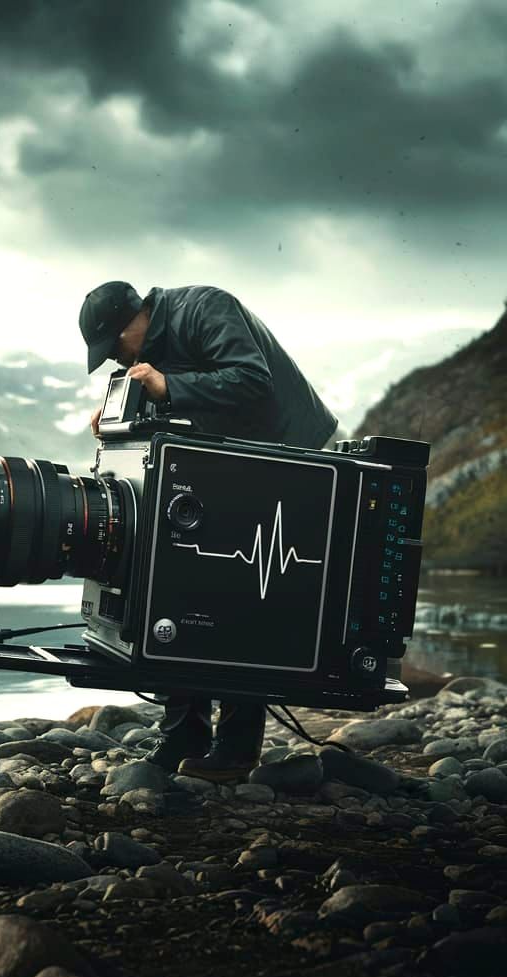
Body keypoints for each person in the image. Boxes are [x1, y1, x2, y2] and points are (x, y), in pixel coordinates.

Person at [78, 280, 339, 783]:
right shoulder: (155, 347)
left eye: (114, 348)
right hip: (233, 458)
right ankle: (186, 732)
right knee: (176, 584)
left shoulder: (204, 308)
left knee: (242, 594)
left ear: (135, 319)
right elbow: (187, 405)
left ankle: (238, 749)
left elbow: (250, 380)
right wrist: (124, 415)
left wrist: (166, 385)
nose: (115, 359)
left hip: (292, 455)